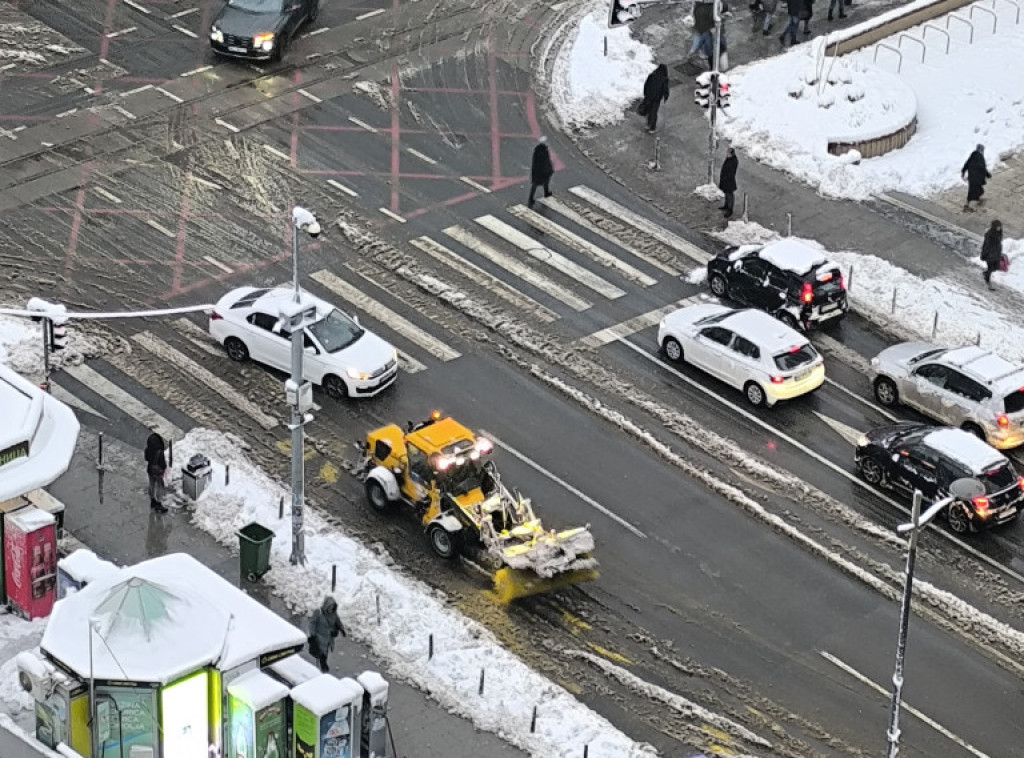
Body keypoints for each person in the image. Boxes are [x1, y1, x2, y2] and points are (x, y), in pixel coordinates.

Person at [308, 594, 347, 672]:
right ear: (326, 606)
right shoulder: (318, 612)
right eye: (330, 607)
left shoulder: (333, 613)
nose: (331, 609)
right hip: (320, 637)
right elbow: (312, 623)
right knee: (320, 652)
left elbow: (337, 621)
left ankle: (322, 665)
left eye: (332, 607)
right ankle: (322, 666)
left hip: (328, 638)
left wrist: (341, 629)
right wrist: (312, 635)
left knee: (325, 652)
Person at [639, 64, 670, 133]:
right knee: (653, 112)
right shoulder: (664, 79)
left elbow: (646, 84)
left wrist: (645, 93)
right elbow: (665, 89)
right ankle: (652, 127)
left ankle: (648, 124)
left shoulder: (652, 75)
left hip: (649, 96)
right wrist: (665, 97)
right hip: (656, 98)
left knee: (649, 110)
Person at [961, 144, 991, 212]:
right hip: (977, 178)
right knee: (978, 191)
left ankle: (968, 205)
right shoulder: (980, 158)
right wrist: (987, 174)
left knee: (972, 191)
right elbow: (982, 168)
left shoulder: (972, 156)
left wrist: (963, 171)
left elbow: (966, 164)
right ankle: (970, 207)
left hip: (971, 177)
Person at [144, 432, 168, 513]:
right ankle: (159, 503)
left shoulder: (148, 449)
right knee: (159, 486)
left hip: (150, 469)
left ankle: (152, 500)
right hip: (158, 472)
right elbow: (163, 464)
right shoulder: (160, 452)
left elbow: (146, 459)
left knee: (152, 485)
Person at [528, 136, 554, 208]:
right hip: (543, 170)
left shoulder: (537, 150)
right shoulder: (544, 151)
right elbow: (547, 161)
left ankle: (532, 197)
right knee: (544, 182)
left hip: (537, 170)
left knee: (536, 184)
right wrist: (550, 169)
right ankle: (545, 193)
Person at [980, 219, 1003, 290]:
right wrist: (985, 254)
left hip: (996, 254)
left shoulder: (999, 233)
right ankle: (988, 282)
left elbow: (999, 243)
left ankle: (986, 273)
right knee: (990, 268)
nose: (999, 228)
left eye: (1000, 226)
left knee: (996, 267)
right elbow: (986, 245)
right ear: (994, 226)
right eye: (998, 226)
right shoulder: (989, 234)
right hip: (990, 254)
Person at [718, 148, 739, 218]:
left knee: (730, 195)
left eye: (728, 153)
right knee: (726, 193)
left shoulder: (733, 161)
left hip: (729, 181)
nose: (726, 154)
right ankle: (726, 205)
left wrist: (726, 177)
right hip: (725, 180)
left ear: (731, 154)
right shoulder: (729, 159)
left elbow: (731, 172)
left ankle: (730, 209)